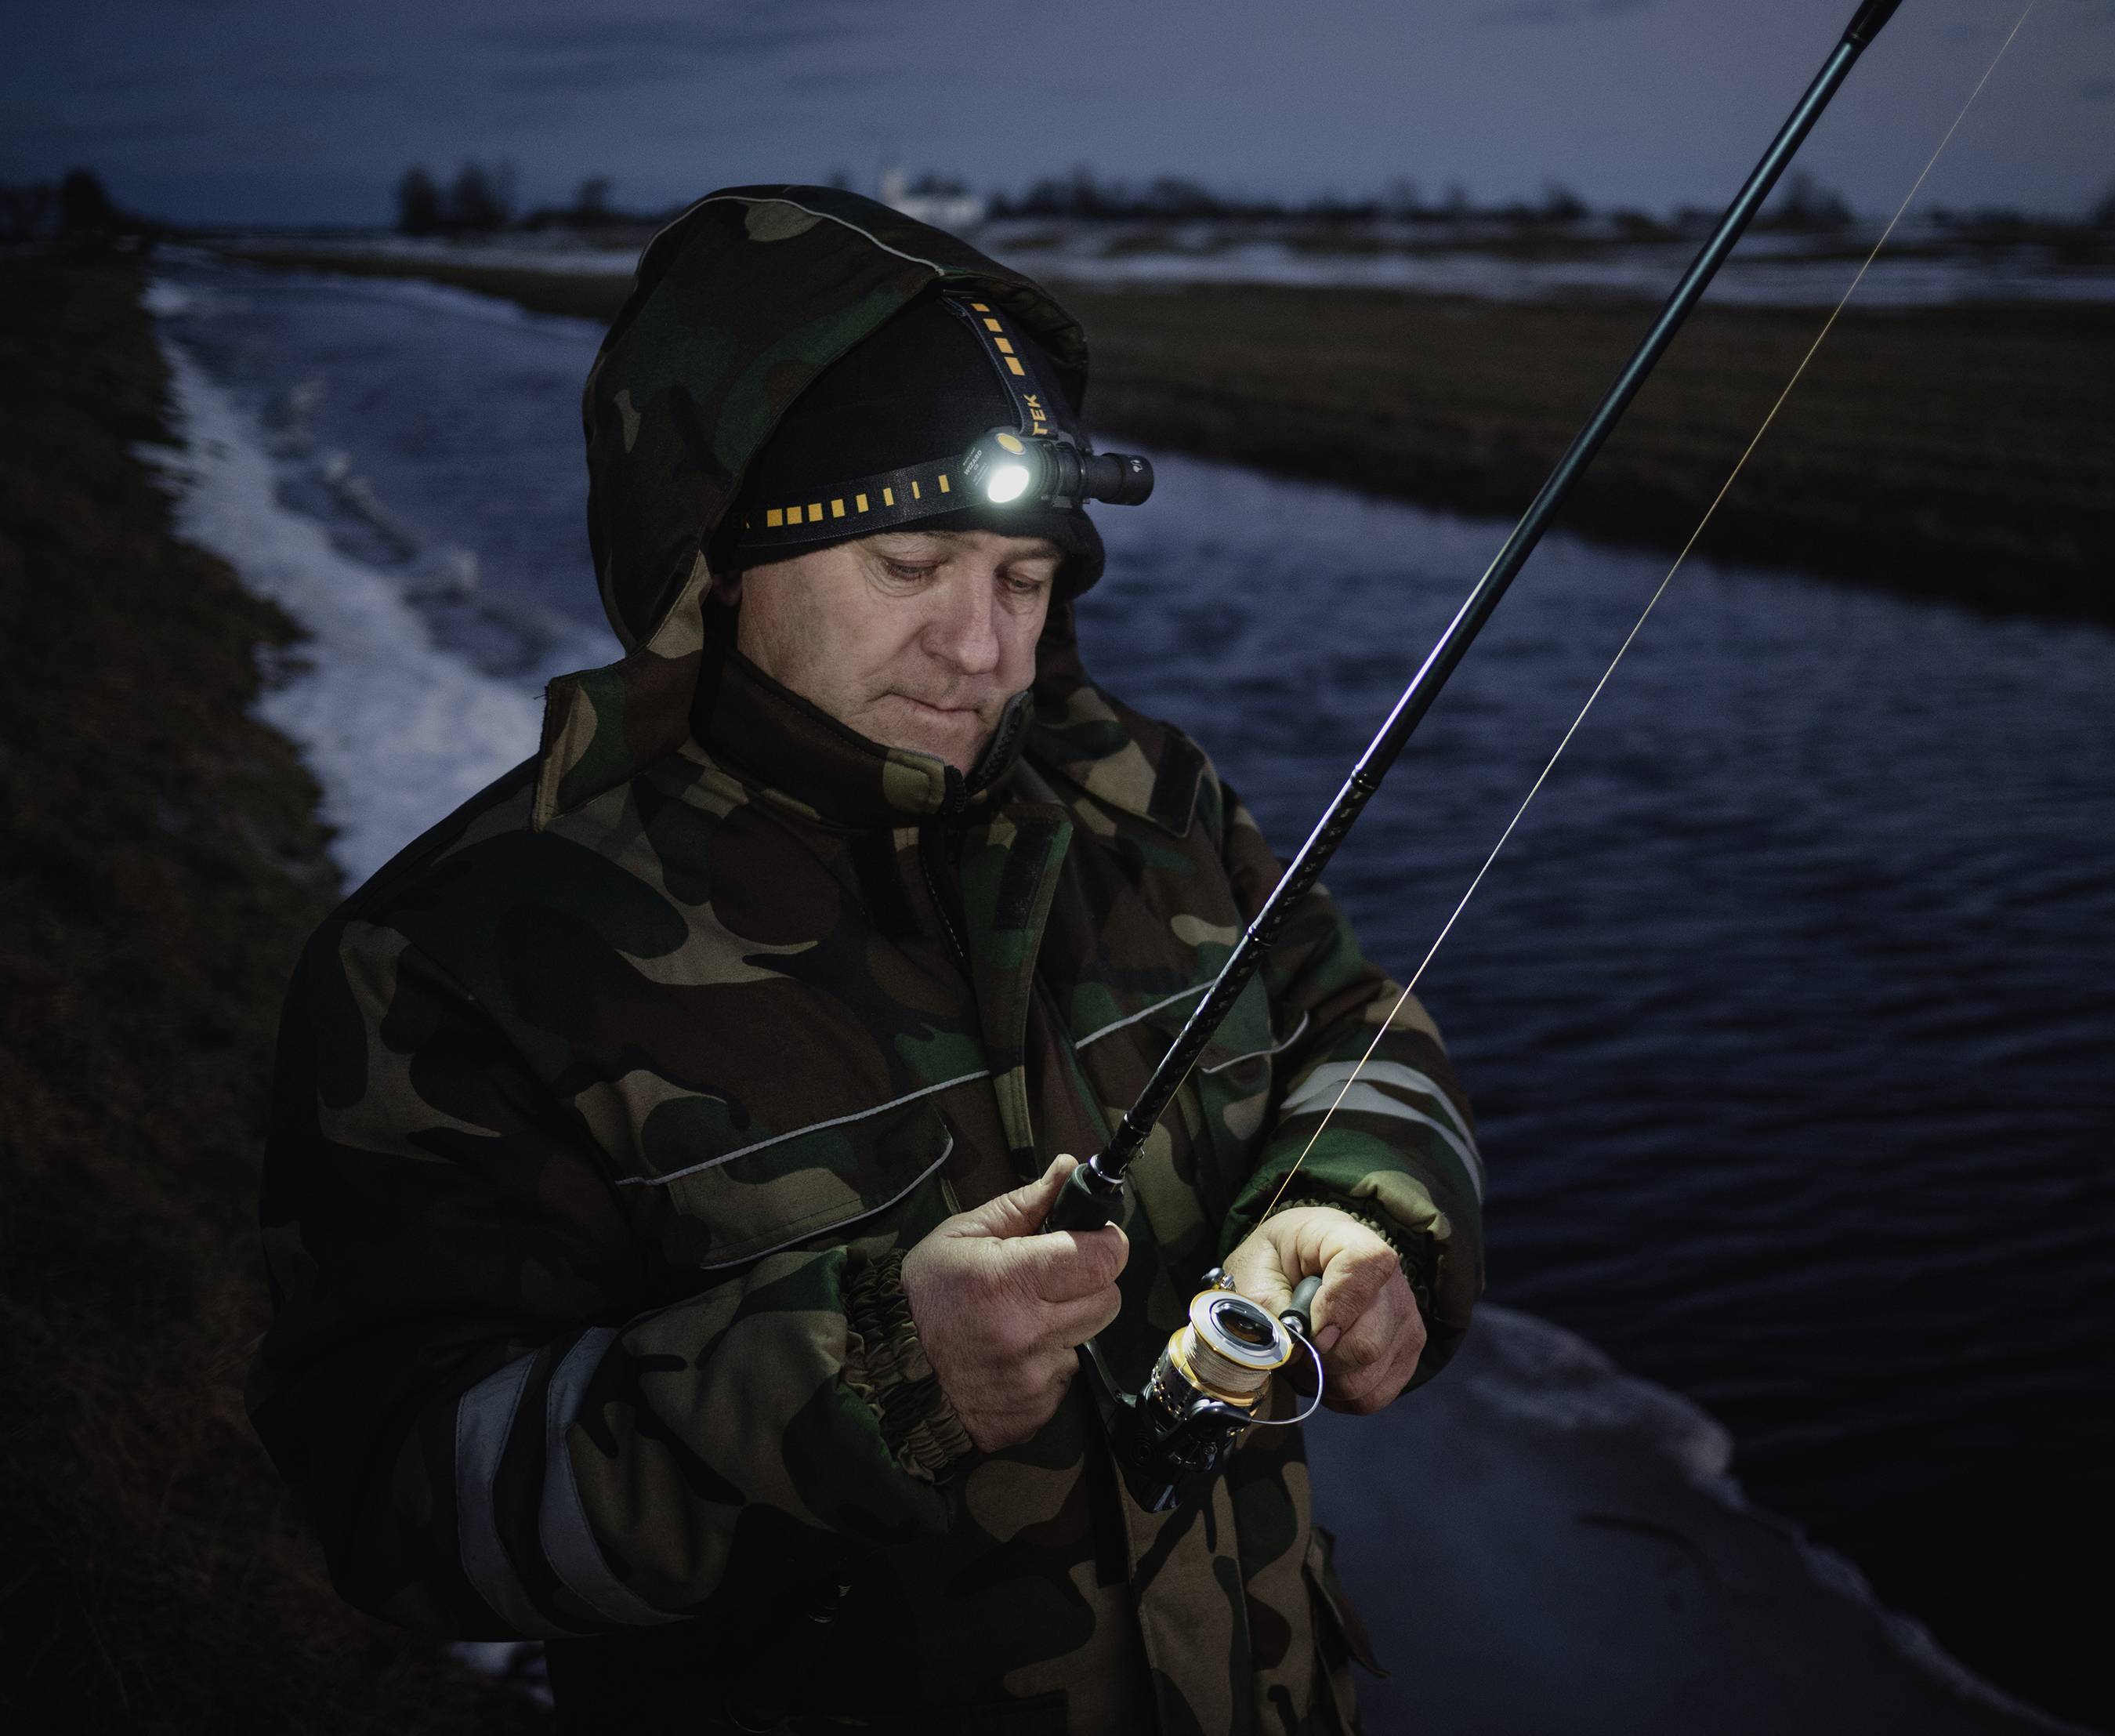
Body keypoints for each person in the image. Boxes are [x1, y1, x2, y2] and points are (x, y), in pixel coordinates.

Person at [248, 184, 1484, 1736]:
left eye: (1024, 578)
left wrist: (1357, 1207)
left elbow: (1355, 1028)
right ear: (722, 561)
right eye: (911, 568)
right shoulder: (456, 961)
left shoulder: (1155, 804)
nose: (984, 651)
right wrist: (869, 1370)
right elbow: (394, 1494)